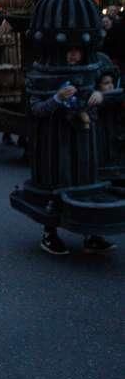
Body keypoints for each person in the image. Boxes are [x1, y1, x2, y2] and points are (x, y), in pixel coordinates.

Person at [34, 47, 116, 255]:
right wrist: (57, 98)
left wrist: (98, 94)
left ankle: (91, 233)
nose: (72, 55)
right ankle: (49, 233)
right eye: (68, 50)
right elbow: (36, 109)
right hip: (57, 143)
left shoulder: (88, 73)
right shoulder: (43, 74)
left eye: (77, 51)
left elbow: (97, 98)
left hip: (83, 141)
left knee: (86, 183)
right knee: (58, 184)